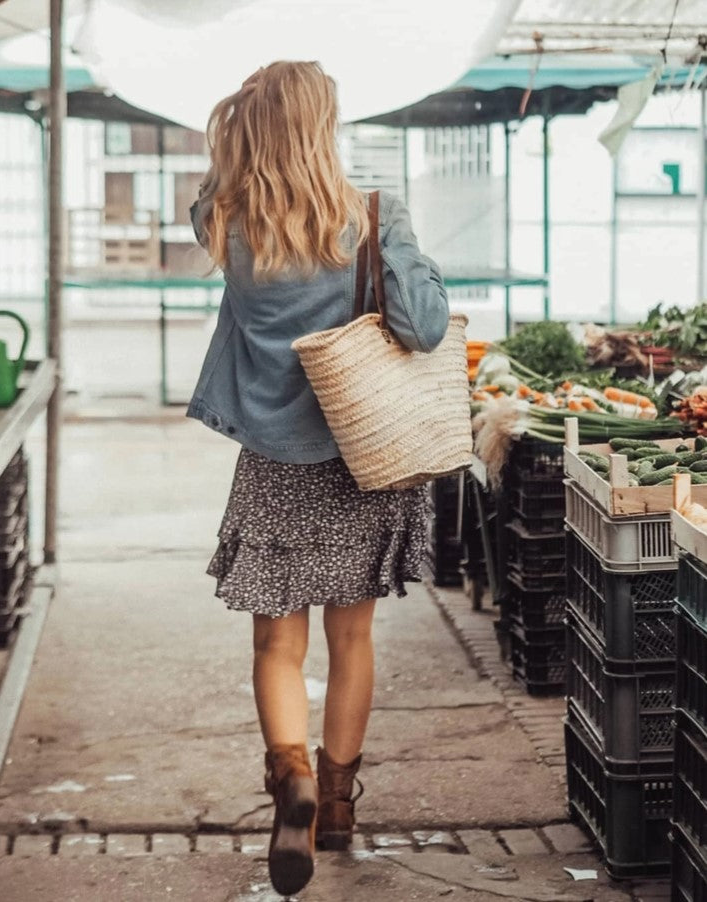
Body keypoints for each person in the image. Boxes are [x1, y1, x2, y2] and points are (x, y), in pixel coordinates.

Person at [186, 60, 449, 898]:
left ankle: (291, 777)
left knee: (276, 644)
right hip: (362, 457)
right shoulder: (372, 214)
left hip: (273, 462)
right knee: (352, 640)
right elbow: (424, 327)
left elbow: (218, 185)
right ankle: (335, 805)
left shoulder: (224, 219)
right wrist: (403, 245)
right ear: (324, 127)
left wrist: (243, 131)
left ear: (253, 127)